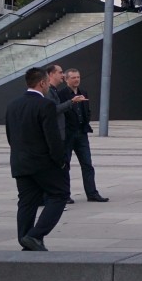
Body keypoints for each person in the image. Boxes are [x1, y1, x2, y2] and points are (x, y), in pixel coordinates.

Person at [6, 67, 68, 250]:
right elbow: (52, 137)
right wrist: (61, 161)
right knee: (60, 194)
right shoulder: (45, 105)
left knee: (27, 201)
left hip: (20, 162)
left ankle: (26, 239)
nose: (49, 86)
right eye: (47, 82)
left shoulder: (13, 105)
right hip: (43, 163)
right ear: (42, 83)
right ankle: (35, 235)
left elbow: (11, 136)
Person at [58, 68, 107, 203]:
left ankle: (92, 193)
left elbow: (87, 109)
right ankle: (65, 194)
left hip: (81, 133)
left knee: (87, 164)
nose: (76, 80)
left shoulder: (83, 92)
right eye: (73, 77)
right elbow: (60, 111)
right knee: (65, 165)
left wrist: (86, 121)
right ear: (66, 79)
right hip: (68, 134)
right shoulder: (61, 94)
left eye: (78, 77)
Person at [44, 63, 80, 205]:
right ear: (51, 74)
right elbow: (53, 110)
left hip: (62, 134)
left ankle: (61, 195)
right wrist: (71, 102)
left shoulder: (53, 90)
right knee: (57, 166)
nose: (62, 75)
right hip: (56, 135)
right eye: (60, 72)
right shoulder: (49, 92)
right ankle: (55, 196)